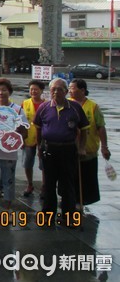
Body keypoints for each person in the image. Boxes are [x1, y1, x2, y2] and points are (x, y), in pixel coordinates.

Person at [34, 78, 89, 217]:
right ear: (50, 91)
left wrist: (82, 147)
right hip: (49, 149)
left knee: (67, 183)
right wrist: (39, 148)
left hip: (68, 149)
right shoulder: (44, 107)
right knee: (49, 183)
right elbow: (38, 130)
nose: (56, 92)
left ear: (66, 91)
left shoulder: (75, 107)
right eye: (53, 89)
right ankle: (48, 214)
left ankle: (69, 214)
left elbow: (84, 129)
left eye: (60, 89)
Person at [0, 78, 27, 211]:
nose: (1, 93)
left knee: (8, 181)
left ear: (10, 92)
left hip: (9, 153)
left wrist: (16, 138)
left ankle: (7, 208)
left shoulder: (17, 110)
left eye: (4, 90)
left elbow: (25, 132)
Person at [69, 79, 110, 206]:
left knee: (87, 178)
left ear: (82, 90)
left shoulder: (93, 107)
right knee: (71, 178)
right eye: (69, 88)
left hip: (89, 150)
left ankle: (82, 202)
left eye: (72, 88)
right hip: (70, 149)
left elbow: (100, 127)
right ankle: (71, 201)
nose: (70, 90)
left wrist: (104, 147)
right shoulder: (67, 104)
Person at [21, 79, 46, 197]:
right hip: (28, 137)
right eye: (31, 89)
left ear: (41, 91)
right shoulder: (25, 103)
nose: (33, 91)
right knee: (27, 162)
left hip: (44, 138)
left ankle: (44, 186)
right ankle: (29, 184)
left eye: (36, 89)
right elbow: (19, 121)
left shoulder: (46, 104)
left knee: (44, 163)